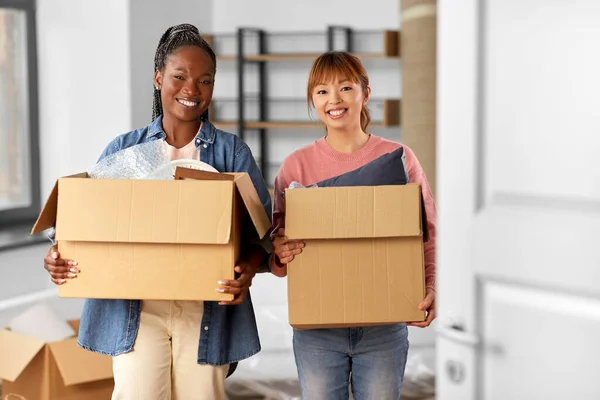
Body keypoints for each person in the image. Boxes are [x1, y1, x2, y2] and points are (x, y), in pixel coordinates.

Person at [42, 23, 272, 400]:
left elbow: (261, 238)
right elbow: (81, 222)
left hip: (206, 309)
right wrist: (58, 256)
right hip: (137, 309)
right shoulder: (125, 148)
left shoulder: (232, 153)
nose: (191, 90)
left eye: (205, 80)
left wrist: (245, 270)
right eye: (179, 76)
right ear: (158, 78)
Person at [270, 51, 437, 400]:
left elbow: (428, 232)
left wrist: (434, 286)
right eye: (322, 91)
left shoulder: (399, 157)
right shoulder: (295, 167)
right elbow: (276, 246)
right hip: (318, 329)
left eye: (346, 87)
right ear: (312, 100)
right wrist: (279, 251)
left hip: (383, 325)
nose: (334, 100)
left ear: (365, 93)